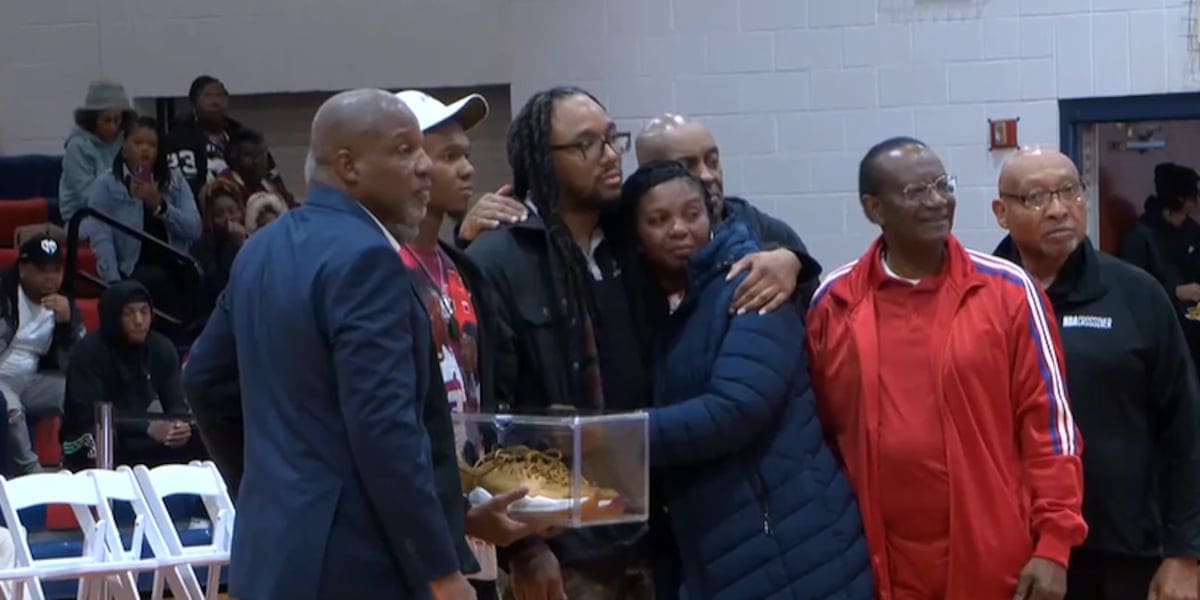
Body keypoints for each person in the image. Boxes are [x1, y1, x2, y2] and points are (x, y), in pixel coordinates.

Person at [182, 89, 477, 600]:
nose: (424, 166)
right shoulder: (368, 259)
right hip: (355, 566)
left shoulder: (261, 249)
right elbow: (384, 428)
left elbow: (204, 381)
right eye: (404, 150)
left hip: (269, 556)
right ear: (348, 166)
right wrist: (440, 569)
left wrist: (271, 485)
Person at [806, 137, 1087, 600]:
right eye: (916, 191)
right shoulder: (834, 304)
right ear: (874, 208)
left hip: (995, 565)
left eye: (942, 185)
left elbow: (1050, 430)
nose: (938, 200)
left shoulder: (1009, 291)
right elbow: (821, 437)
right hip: (874, 568)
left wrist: (1055, 545)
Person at [618, 160, 872, 599]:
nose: (679, 229)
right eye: (659, 220)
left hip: (793, 537)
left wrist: (614, 439)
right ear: (636, 236)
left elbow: (736, 408)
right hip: (730, 540)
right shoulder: (658, 308)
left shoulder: (751, 281)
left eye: (692, 214)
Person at [465, 86, 652, 600]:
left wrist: (786, 256)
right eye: (587, 144)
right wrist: (525, 547)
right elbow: (487, 417)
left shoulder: (629, 242)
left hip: (641, 532)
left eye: (612, 138)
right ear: (539, 161)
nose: (610, 155)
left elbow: (707, 204)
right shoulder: (499, 258)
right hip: (559, 548)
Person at [992, 148, 1200, 600]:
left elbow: (1185, 429)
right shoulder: (980, 298)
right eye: (1036, 197)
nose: (1058, 209)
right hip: (1010, 550)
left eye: (1069, 191)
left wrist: (1186, 553)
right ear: (1001, 213)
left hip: (1122, 553)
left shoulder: (1136, 294)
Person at [396, 88, 554, 600]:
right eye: (449, 157)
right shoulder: (375, 270)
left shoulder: (466, 269)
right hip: (409, 525)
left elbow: (491, 396)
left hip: (471, 513)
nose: (467, 169)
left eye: (465, 155)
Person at [634, 113, 822, 309]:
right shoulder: (626, 257)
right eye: (686, 167)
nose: (707, 176)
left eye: (712, 161)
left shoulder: (772, 238)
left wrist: (795, 264)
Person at [60, 281, 200, 469]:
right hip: (83, 437)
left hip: (139, 431)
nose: (139, 320)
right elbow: (91, 415)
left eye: (144, 312)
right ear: (114, 316)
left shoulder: (161, 348)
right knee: (105, 436)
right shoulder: (88, 352)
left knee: (198, 433)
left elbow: (176, 405)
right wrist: (147, 427)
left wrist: (179, 426)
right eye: (129, 313)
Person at [86, 116, 202, 329]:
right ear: (124, 148)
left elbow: (194, 229)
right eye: (138, 143)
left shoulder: (175, 181)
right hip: (131, 269)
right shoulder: (106, 185)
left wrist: (160, 206)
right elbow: (101, 237)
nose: (145, 150)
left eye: (152, 145)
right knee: (154, 281)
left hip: (175, 265)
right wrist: (113, 283)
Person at [0, 234, 82, 475]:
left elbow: (81, 360)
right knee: (11, 409)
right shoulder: (4, 295)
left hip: (34, 380)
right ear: (23, 269)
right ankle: (33, 474)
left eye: (56, 270)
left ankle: (79, 461)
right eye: (42, 270)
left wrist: (69, 324)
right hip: (1, 378)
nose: (50, 278)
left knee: (81, 393)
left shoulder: (63, 305)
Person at [1119, 163, 1200, 367]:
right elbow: (1131, 288)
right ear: (1181, 199)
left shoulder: (1193, 231)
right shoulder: (1141, 236)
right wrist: (1175, 292)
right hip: (1162, 328)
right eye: (1194, 195)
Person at [164, 75, 293, 202]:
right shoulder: (179, 140)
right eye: (208, 96)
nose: (216, 102)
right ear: (194, 103)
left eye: (220, 95)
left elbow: (274, 181)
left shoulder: (244, 136)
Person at [58, 79, 135, 223]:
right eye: (107, 120)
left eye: (117, 120)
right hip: (83, 218)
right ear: (92, 120)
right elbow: (88, 196)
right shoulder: (77, 147)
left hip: (122, 215)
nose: (113, 127)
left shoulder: (126, 141)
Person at [191, 179, 246, 319]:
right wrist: (235, 247)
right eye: (220, 215)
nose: (228, 219)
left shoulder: (254, 239)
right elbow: (219, 286)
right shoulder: (202, 248)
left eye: (232, 212)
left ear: (241, 211)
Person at [217, 128, 296, 208]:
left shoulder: (270, 180)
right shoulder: (225, 188)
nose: (257, 162)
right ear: (234, 158)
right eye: (250, 156)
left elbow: (291, 205)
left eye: (261, 154)